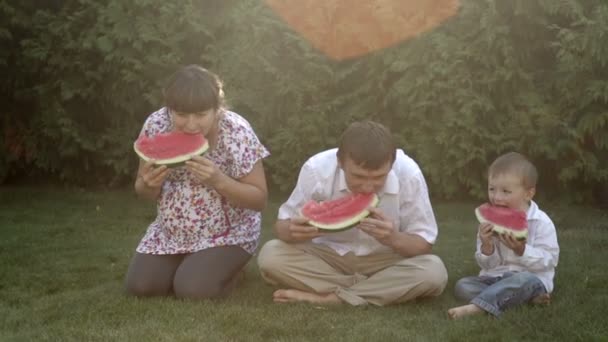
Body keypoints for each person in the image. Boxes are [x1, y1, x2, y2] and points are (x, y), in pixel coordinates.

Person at [257, 121, 448, 306]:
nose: (367, 186)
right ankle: (376, 290)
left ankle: (331, 297)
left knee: (434, 272)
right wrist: (292, 230)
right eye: (358, 176)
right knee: (270, 255)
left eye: (379, 177)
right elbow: (281, 227)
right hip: (327, 257)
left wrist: (393, 238)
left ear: (392, 165)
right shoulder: (317, 169)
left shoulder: (409, 174)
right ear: (340, 162)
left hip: (384, 260)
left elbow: (423, 244)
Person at [125, 65, 270, 299]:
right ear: (169, 109)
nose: (191, 125)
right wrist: (149, 185)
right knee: (141, 287)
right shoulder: (156, 124)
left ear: (217, 109)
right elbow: (142, 191)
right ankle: (191, 264)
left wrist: (219, 180)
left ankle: (231, 269)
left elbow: (260, 199)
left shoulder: (237, 131)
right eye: (181, 115)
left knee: (192, 290)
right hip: (172, 233)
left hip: (228, 234)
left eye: (201, 115)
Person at [447, 152, 559, 319]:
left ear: (528, 193)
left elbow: (550, 260)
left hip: (530, 279)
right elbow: (488, 265)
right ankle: (520, 300)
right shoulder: (488, 223)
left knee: (523, 281)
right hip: (495, 278)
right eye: (492, 189)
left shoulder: (541, 222)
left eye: (506, 191)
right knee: (462, 286)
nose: (497, 197)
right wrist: (487, 247)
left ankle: (477, 308)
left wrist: (522, 251)